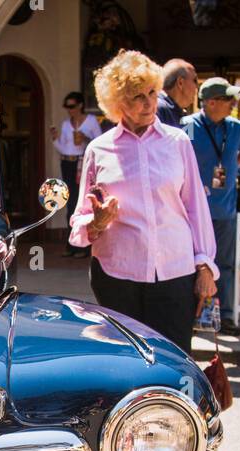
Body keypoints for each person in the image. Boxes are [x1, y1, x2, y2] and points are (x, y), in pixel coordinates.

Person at [69, 50, 219, 354]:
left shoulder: (177, 143)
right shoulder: (99, 149)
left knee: (174, 360)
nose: (149, 103)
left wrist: (204, 266)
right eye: (137, 96)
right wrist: (95, 223)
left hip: (175, 272)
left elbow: (196, 209)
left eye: (152, 92)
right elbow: (80, 221)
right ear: (117, 103)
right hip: (117, 275)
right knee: (124, 361)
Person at [182, 77, 240, 336]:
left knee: (224, 264)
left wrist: (234, 165)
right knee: (192, 265)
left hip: (224, 209)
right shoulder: (189, 126)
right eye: (228, 99)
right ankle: (190, 316)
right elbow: (177, 156)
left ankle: (224, 317)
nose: (233, 104)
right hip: (193, 211)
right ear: (211, 102)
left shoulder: (235, 127)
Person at [50, 91, 103, 257]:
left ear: (80, 105)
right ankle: (72, 244)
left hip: (83, 162)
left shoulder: (91, 121)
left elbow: (99, 142)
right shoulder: (66, 124)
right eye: (67, 107)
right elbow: (63, 148)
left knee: (84, 202)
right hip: (67, 162)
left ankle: (84, 247)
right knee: (70, 203)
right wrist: (54, 140)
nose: (69, 110)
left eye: (72, 106)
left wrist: (85, 138)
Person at [158, 58, 196, 127]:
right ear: (180, 83)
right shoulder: (156, 108)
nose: (196, 88)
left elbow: (189, 138)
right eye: (194, 80)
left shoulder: (185, 117)